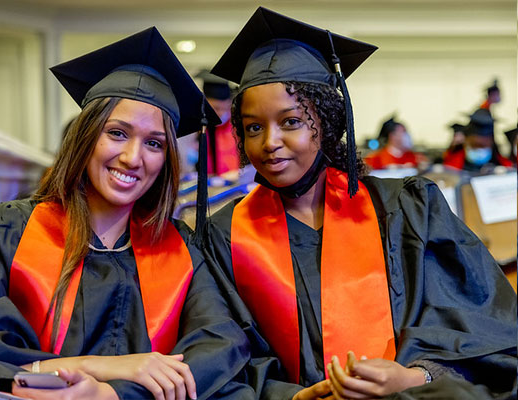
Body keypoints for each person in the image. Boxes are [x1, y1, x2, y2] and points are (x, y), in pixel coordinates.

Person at [0, 27, 252, 400]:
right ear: (86, 136)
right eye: (117, 133)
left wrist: (113, 394)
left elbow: (220, 347)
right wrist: (95, 366)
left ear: (167, 161)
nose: (132, 157)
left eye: (154, 143)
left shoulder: (181, 251)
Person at [205, 7, 517, 400]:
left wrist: (416, 375)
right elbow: (221, 355)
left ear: (329, 122)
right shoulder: (222, 236)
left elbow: (486, 328)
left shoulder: (408, 210)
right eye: (253, 127)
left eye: (290, 121)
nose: (269, 142)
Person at [197, 69, 240, 177]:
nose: (220, 113)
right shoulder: (198, 126)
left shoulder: (236, 125)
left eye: (224, 108)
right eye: (215, 108)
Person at [443, 109, 512, 172]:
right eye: (474, 145)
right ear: (465, 141)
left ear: (491, 143)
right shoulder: (451, 167)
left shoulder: (506, 168)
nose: (479, 150)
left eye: (483, 146)